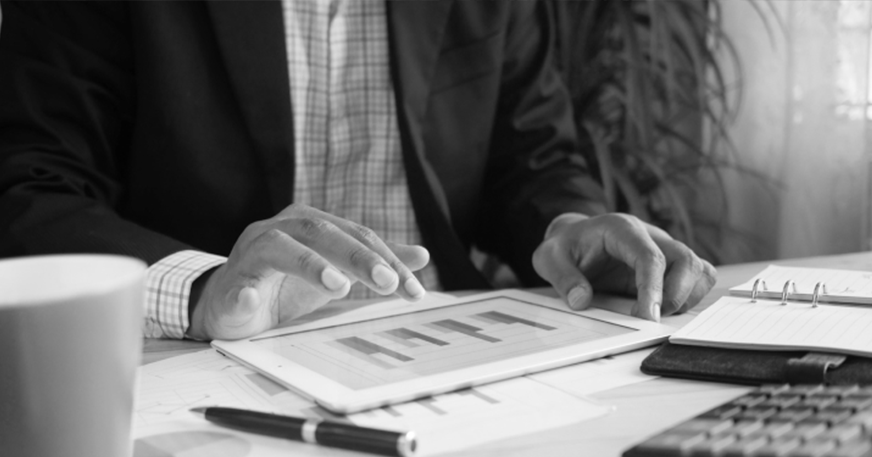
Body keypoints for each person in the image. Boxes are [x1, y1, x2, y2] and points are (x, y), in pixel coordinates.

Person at [0, 0, 716, 341]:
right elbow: (28, 190)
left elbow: (529, 156)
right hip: (210, 356)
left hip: (450, 341)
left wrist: (571, 224)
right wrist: (199, 288)